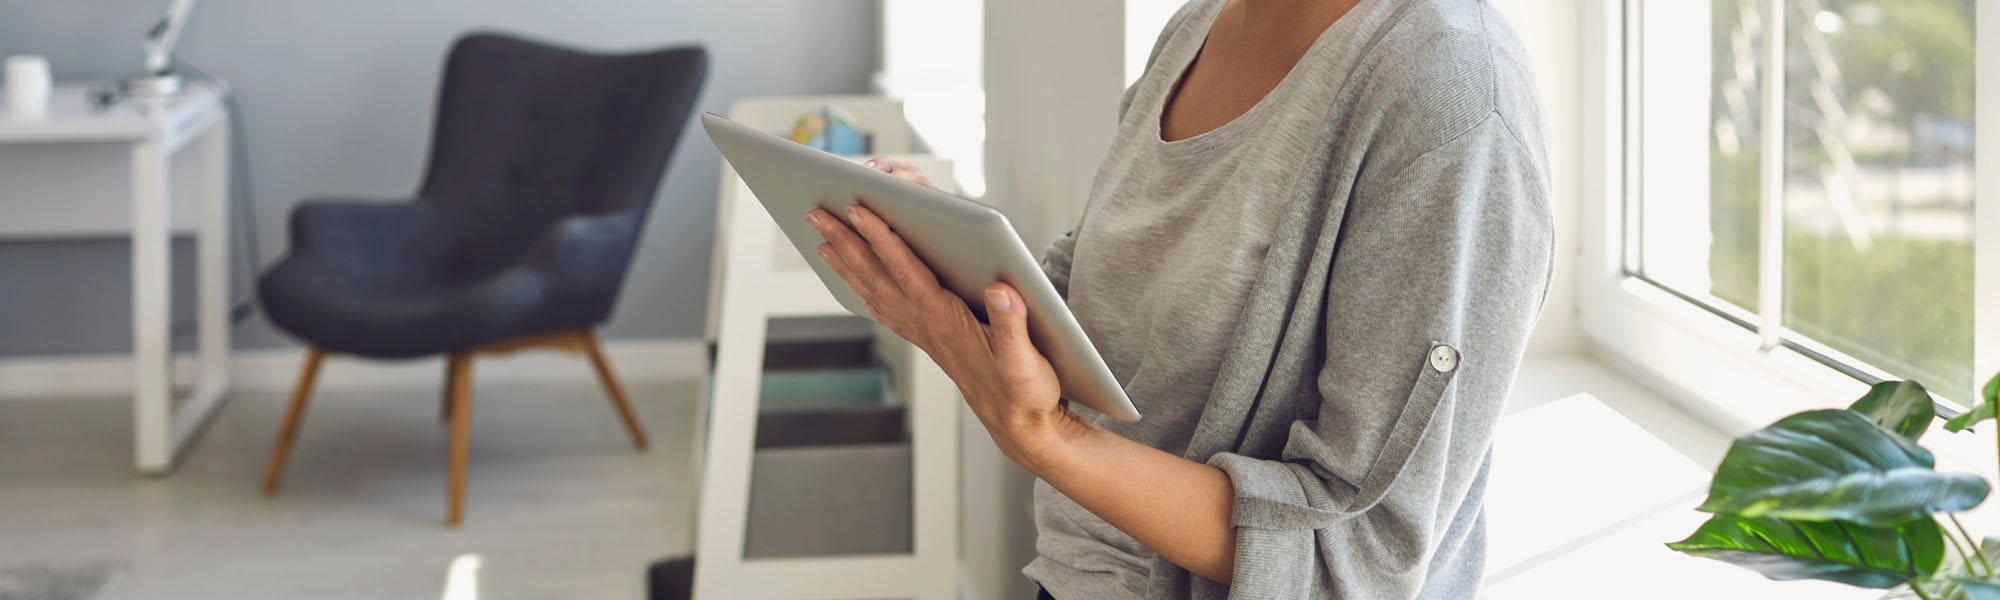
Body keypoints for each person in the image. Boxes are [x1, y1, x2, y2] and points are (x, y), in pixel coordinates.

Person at [805, 0, 1552, 597]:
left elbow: (1358, 559)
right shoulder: (1202, 23)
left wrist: (1048, 437)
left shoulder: (1451, 91)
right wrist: (953, 270)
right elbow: (1100, 313)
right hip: (1070, 575)